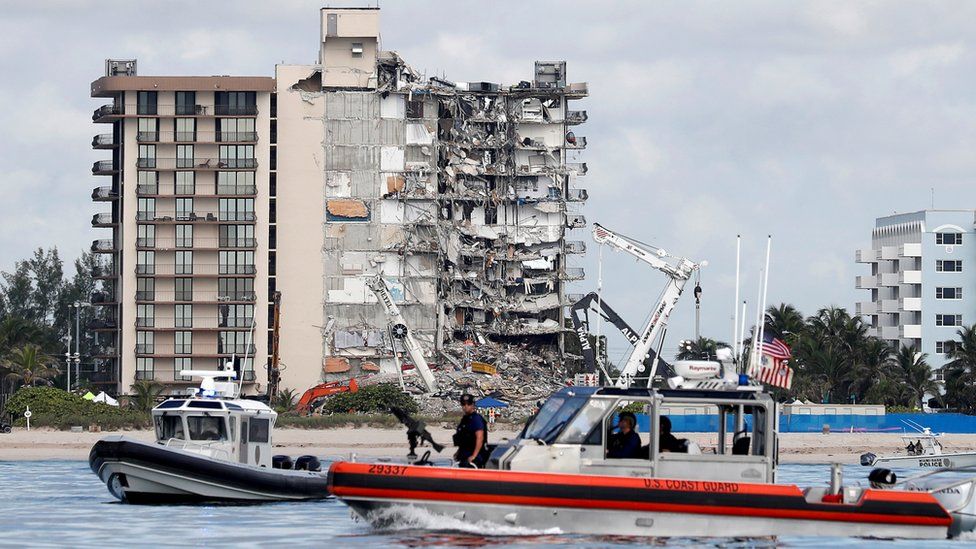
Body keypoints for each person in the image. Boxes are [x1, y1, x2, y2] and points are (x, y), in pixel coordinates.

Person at [454, 394, 489, 468]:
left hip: (473, 458)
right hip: (464, 455)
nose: (466, 406)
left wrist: (474, 455)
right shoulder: (465, 419)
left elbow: (480, 437)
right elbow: (464, 438)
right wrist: (458, 452)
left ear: (473, 405)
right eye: (463, 404)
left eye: (468, 404)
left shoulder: (476, 419)